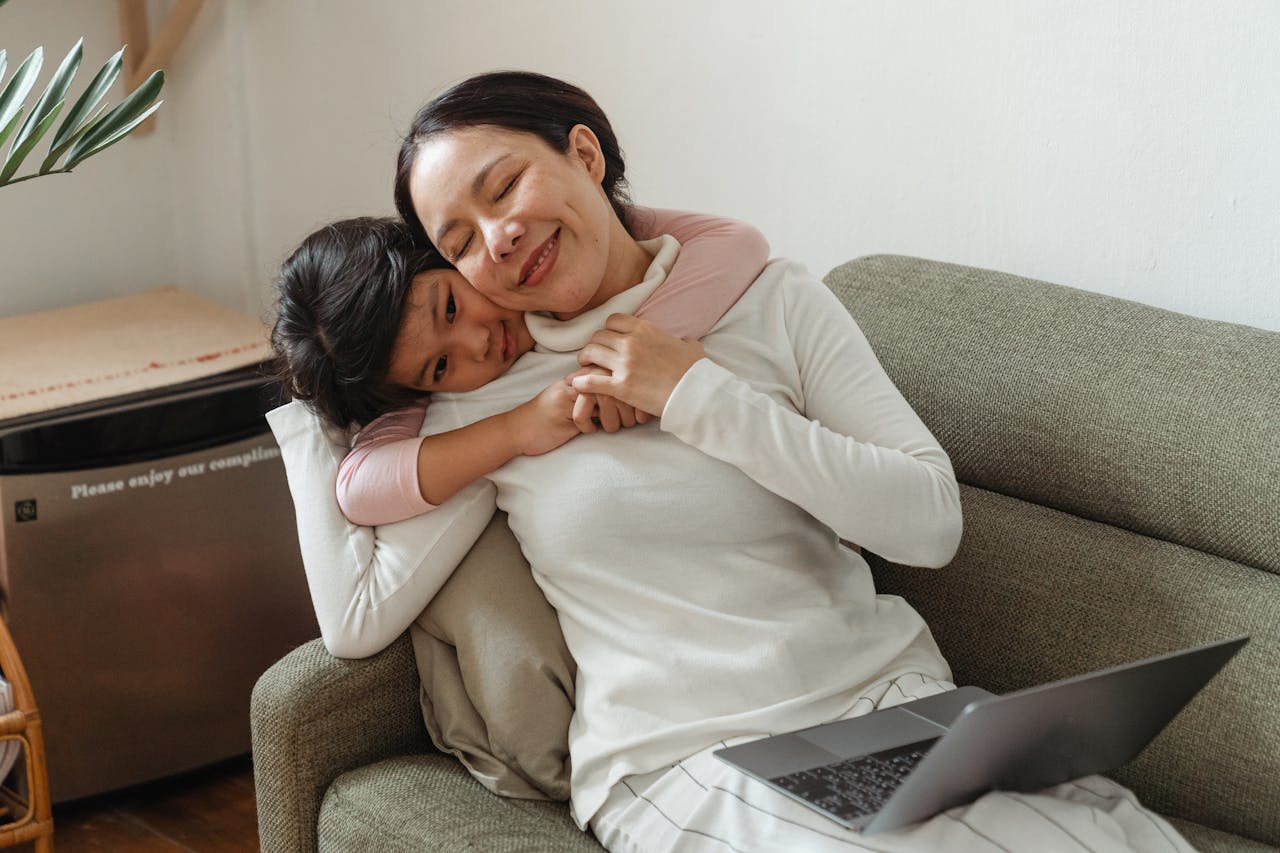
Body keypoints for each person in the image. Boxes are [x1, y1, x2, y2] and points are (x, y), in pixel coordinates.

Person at [272, 71, 1194, 852]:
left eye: (504, 186)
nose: (497, 239)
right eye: (459, 241)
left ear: (584, 156)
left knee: (1116, 835)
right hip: (682, 758)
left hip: (890, 701)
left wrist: (699, 396)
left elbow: (930, 521)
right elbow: (360, 581)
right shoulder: (489, 390)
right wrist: (313, 421)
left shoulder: (771, 298)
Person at [272, 210, 769, 525]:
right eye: (441, 366)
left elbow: (733, 238)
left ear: (440, 252)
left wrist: (622, 370)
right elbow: (360, 487)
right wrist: (518, 428)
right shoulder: (422, 397)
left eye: (450, 307)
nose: (479, 341)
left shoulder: (550, 252)